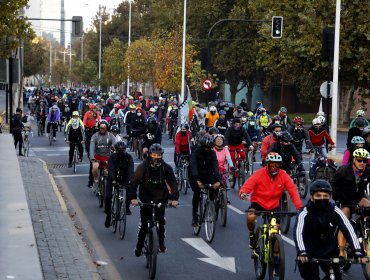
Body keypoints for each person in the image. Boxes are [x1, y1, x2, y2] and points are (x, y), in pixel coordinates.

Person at [294, 180, 364, 280]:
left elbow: (348, 229)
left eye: (325, 196)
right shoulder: (304, 213)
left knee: (336, 278)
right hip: (308, 252)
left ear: (330, 197)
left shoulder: (335, 210)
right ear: (312, 197)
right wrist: (302, 251)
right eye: (318, 196)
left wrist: (357, 250)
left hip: (329, 251)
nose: (322, 198)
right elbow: (298, 233)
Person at [239, 152, 302, 248]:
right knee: (251, 217)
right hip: (258, 203)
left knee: (275, 231)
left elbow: (293, 191)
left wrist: (299, 208)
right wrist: (243, 193)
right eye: (272, 164)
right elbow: (248, 185)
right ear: (267, 164)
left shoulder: (283, 175)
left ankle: (275, 255)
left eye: (277, 164)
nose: (274, 166)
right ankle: (252, 235)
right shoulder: (259, 174)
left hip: (273, 206)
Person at [129, 144, 179, 256]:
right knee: (144, 224)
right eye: (154, 155)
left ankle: (161, 243)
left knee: (161, 221)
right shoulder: (142, 167)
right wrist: (133, 198)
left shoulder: (166, 168)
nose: (156, 157)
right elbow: (134, 183)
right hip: (145, 198)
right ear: (150, 154)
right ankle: (139, 245)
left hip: (161, 198)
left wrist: (175, 198)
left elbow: (173, 183)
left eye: (159, 155)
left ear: (162, 155)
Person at [331, 148, 370, 258]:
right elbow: (334, 183)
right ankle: (341, 252)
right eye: (359, 160)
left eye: (365, 161)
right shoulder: (344, 170)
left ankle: (365, 230)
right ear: (354, 160)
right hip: (345, 201)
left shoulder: (367, 171)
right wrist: (336, 198)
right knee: (344, 222)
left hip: (359, 199)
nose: (362, 163)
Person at [190, 135, 221, 226]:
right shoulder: (196, 152)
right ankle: (195, 216)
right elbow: (193, 166)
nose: (206, 149)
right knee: (197, 193)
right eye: (204, 147)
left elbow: (215, 167)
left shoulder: (212, 153)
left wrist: (217, 180)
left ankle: (210, 206)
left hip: (207, 175)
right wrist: (197, 180)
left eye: (208, 148)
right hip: (196, 175)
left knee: (213, 189)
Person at [105, 141, 134, 227]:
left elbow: (131, 170)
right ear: (116, 150)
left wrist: (129, 180)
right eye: (119, 150)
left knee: (130, 189)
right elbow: (110, 169)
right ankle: (108, 216)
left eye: (123, 150)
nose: (121, 152)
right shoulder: (112, 157)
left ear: (125, 150)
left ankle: (127, 207)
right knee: (108, 197)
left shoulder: (129, 158)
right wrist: (113, 180)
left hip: (124, 178)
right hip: (113, 179)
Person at [89, 120, 117, 193]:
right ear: (99, 128)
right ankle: (96, 180)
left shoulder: (110, 135)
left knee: (108, 173)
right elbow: (91, 147)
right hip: (97, 157)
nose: (102, 129)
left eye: (104, 127)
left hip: (107, 157)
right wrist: (92, 158)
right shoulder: (95, 136)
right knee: (94, 168)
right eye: (101, 127)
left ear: (107, 128)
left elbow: (115, 144)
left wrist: (114, 147)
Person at [83, 103, 101, 188]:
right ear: (91, 108)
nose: (95, 110)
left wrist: (97, 125)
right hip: (89, 131)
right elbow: (84, 121)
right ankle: (90, 181)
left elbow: (98, 120)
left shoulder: (97, 114)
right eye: (94, 108)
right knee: (92, 162)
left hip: (95, 129)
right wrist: (87, 126)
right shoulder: (87, 113)